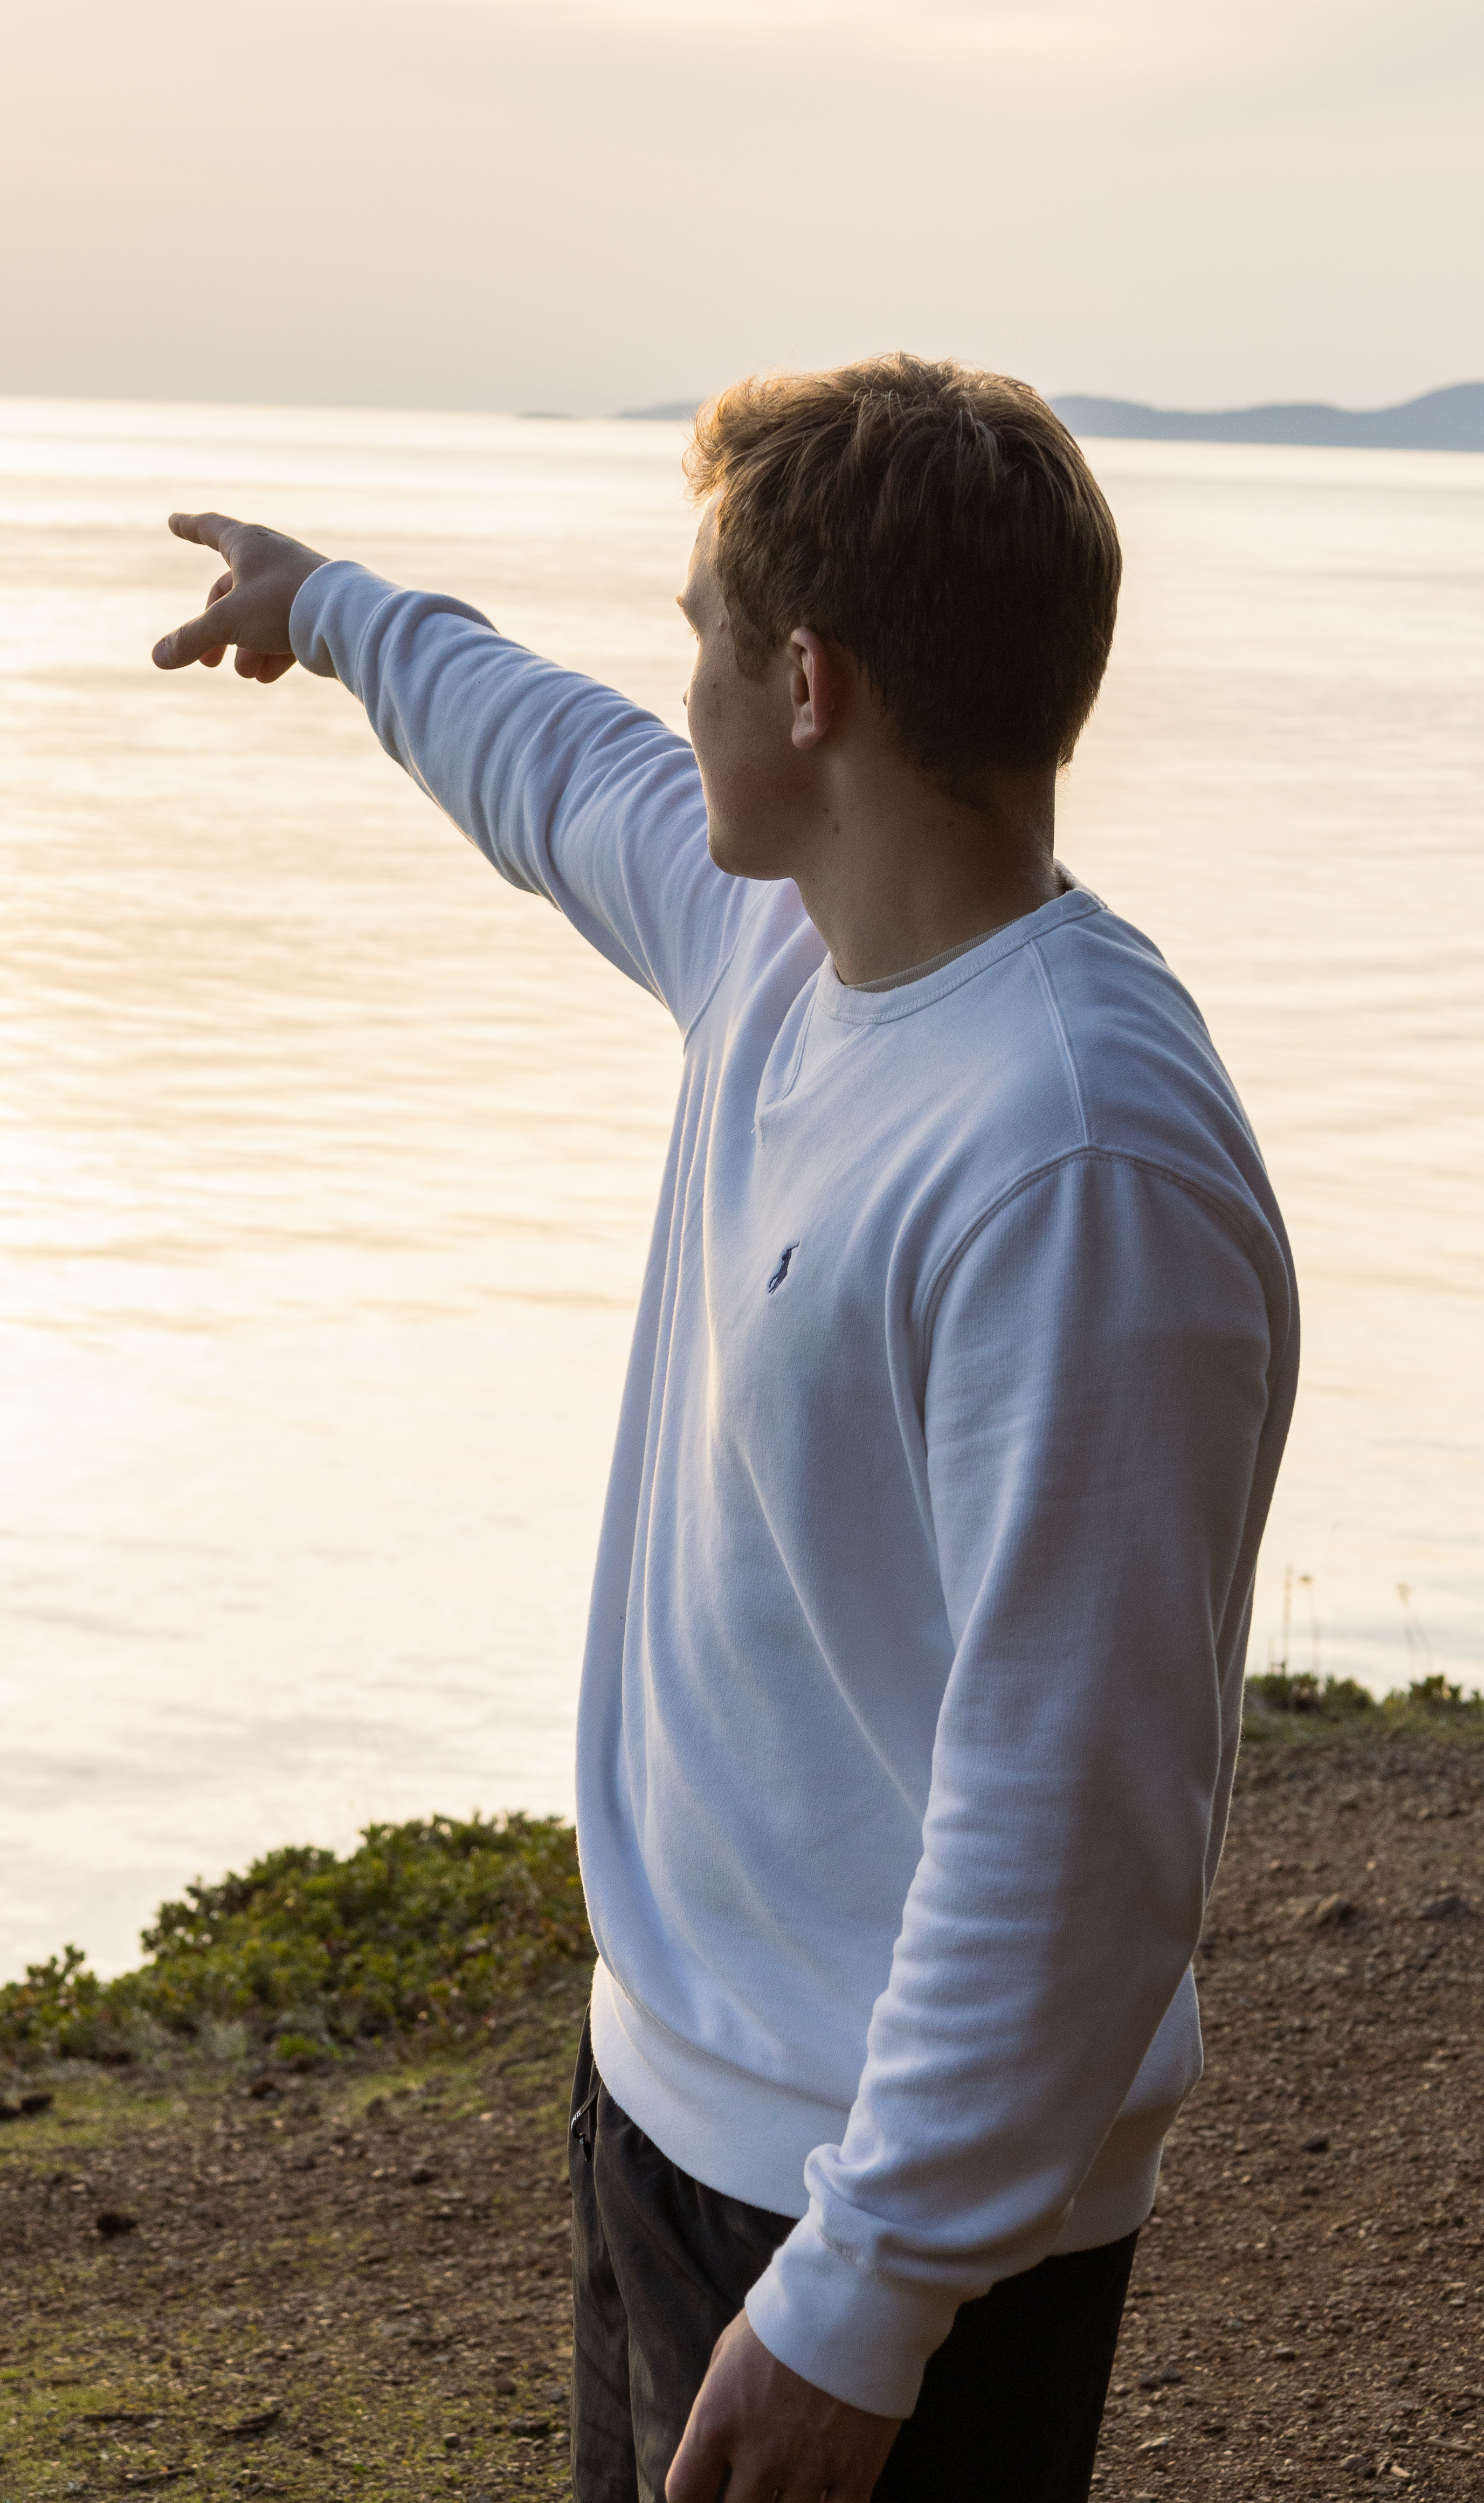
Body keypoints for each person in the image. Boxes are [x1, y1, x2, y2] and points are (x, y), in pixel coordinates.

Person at [151, 354, 1298, 2503]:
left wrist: (868, 2293)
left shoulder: (1075, 1160)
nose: (671, 689)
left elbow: (1082, 1818)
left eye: (699, 636)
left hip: (884, 2216)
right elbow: (552, 759)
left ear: (807, 684)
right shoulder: (784, 946)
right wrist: (331, 611)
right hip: (679, 2103)